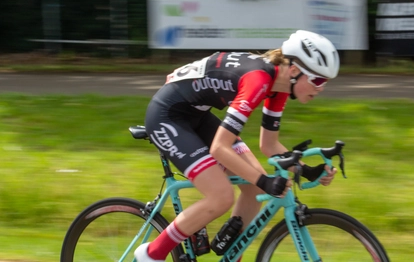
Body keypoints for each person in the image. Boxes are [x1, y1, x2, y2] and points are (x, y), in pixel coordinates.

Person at [135, 30, 340, 262]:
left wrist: (307, 170)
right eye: (318, 80)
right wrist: (265, 180)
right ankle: (151, 255)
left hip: (197, 114)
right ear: (294, 70)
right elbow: (219, 149)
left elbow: (269, 145)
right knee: (221, 196)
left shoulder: (279, 86)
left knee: (256, 189)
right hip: (168, 116)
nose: (321, 88)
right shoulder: (258, 81)